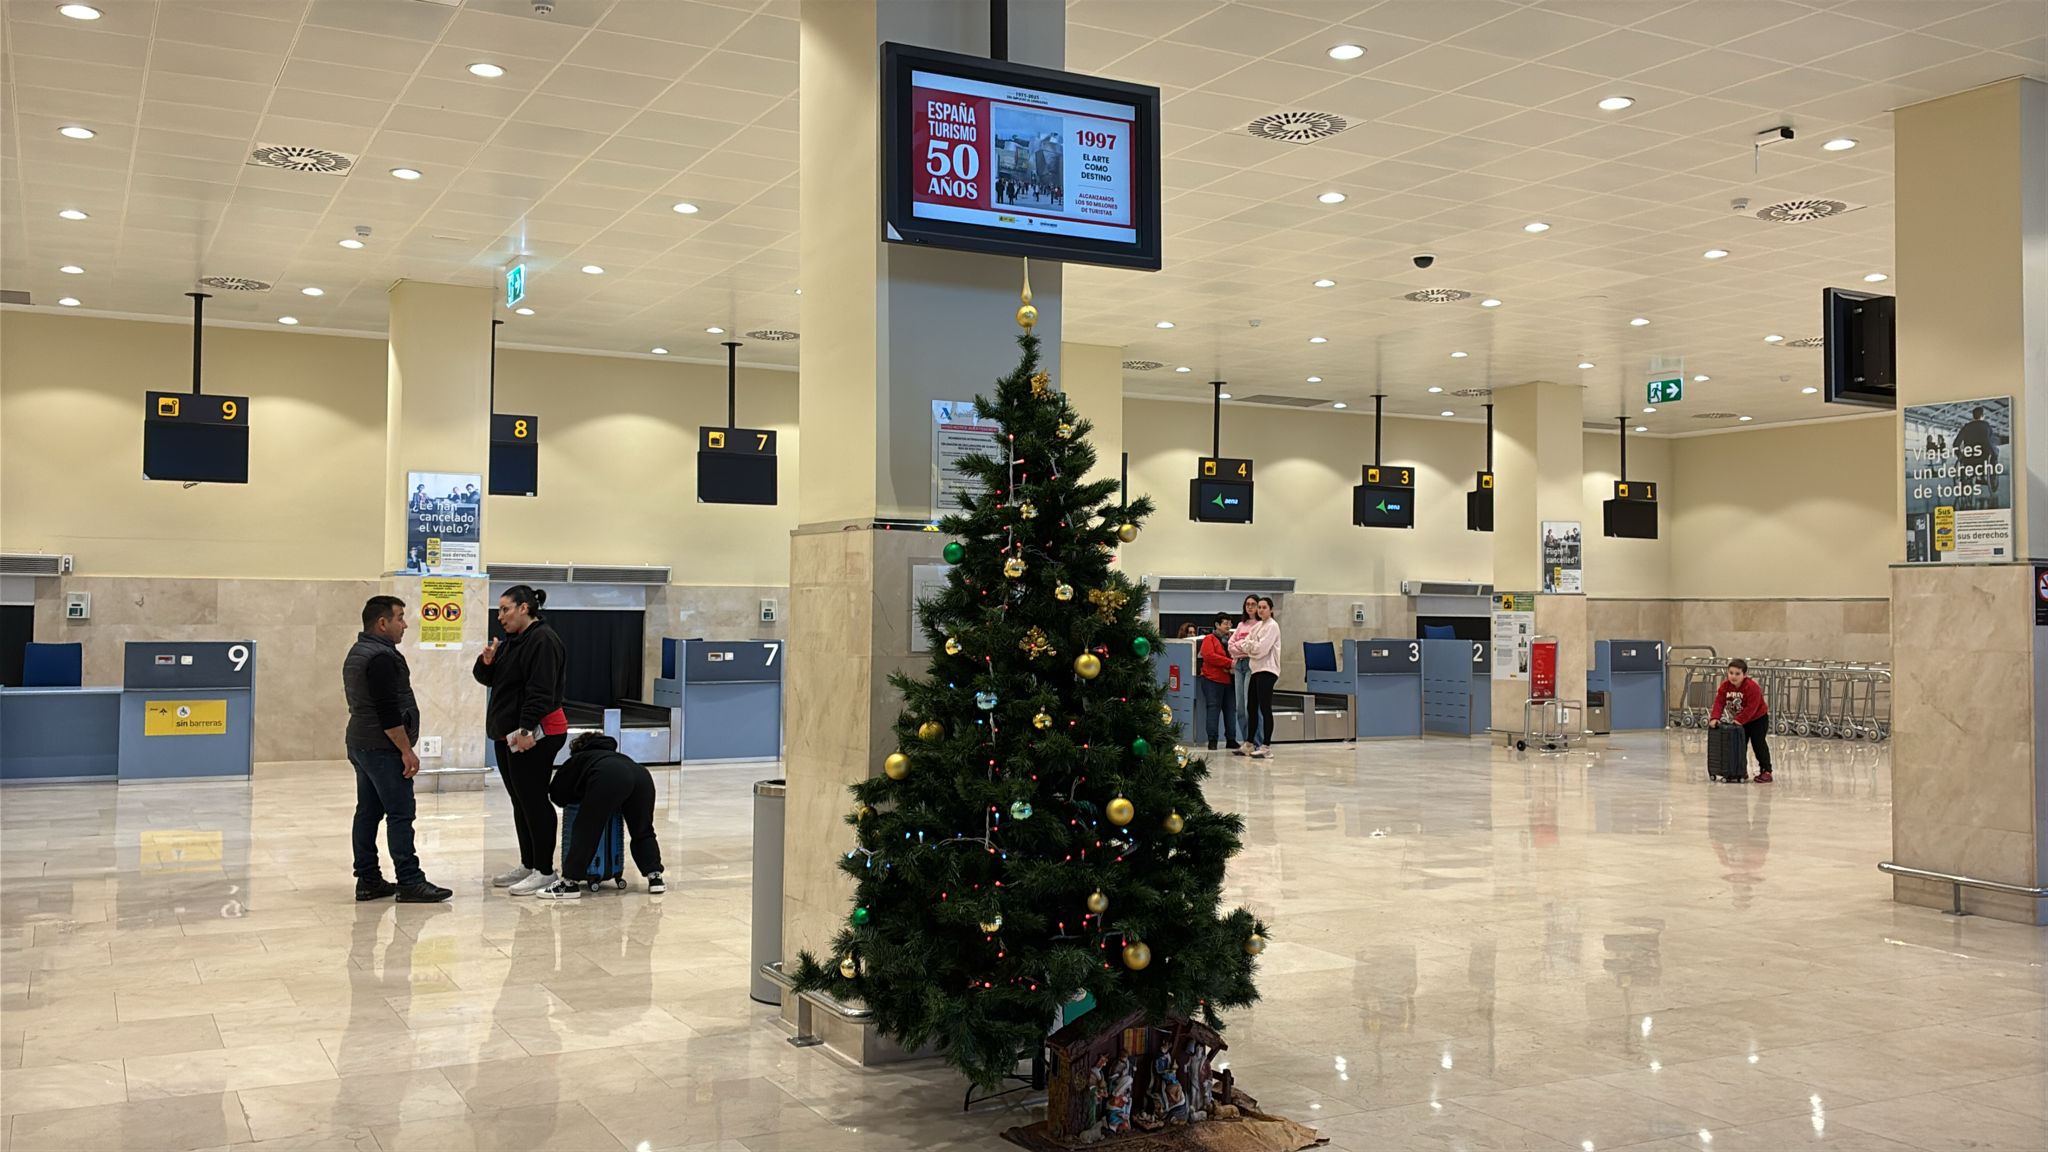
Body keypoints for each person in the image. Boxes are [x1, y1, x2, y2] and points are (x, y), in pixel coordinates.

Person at [341, 596, 450, 903]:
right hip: (382, 747)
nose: (405, 624)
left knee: (368, 812)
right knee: (400, 813)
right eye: (400, 617)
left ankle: (368, 879)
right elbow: (387, 711)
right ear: (382, 623)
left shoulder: (359, 651)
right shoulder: (381, 658)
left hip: (362, 743)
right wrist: (406, 750)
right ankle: (410, 880)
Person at [474, 584, 569, 895]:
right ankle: (528, 864)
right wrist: (486, 662)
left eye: (505, 609)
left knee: (533, 799)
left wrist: (527, 729)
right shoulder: (513, 641)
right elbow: (493, 680)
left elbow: (541, 690)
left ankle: (545, 870)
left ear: (524, 608)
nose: (500, 616)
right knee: (520, 800)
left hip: (535, 733)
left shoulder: (543, 640)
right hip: (508, 733)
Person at [536, 732, 666, 900]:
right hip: (642, 775)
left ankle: (570, 883)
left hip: (610, 776)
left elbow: (557, 793)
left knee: (587, 827)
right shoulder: (617, 755)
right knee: (643, 829)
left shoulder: (580, 757)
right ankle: (655, 876)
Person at [1231, 596, 1280, 760]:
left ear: (1271, 609)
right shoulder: (1258, 625)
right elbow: (1243, 643)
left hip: (1268, 670)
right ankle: (1249, 742)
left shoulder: (1273, 626)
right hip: (1256, 669)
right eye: (1259, 607)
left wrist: (1250, 647)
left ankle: (1266, 746)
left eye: (1263, 607)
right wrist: (1251, 646)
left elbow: (1262, 649)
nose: (1260, 610)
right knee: (1250, 707)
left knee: (1265, 708)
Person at [1709, 658, 1773, 783]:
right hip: (1739, 721)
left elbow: (1752, 707)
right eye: (1731, 673)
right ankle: (1739, 771)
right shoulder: (1725, 686)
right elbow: (1719, 702)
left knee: (1758, 744)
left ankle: (1766, 771)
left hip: (1758, 719)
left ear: (1744, 675)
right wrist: (1715, 717)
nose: (1733, 676)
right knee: (1738, 745)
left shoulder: (1752, 687)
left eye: (1737, 674)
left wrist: (1740, 720)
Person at [1197, 613, 1239, 752]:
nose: (1228, 626)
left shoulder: (1232, 640)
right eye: (1225, 623)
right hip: (1212, 679)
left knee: (1230, 710)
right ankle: (1212, 740)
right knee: (1213, 709)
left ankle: (1231, 739)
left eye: (1230, 623)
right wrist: (1230, 663)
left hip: (1229, 680)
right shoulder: (1209, 639)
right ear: (1217, 625)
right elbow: (1209, 656)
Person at [1228, 595, 1261, 753]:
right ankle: (1246, 741)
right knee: (1240, 706)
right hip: (1238, 665)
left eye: (1253, 604)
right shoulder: (1241, 625)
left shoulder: (1261, 625)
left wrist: (1241, 647)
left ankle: (1257, 741)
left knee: (1251, 705)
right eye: (1247, 604)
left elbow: (1253, 646)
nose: (1250, 607)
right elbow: (1230, 645)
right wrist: (1243, 646)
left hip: (1251, 664)